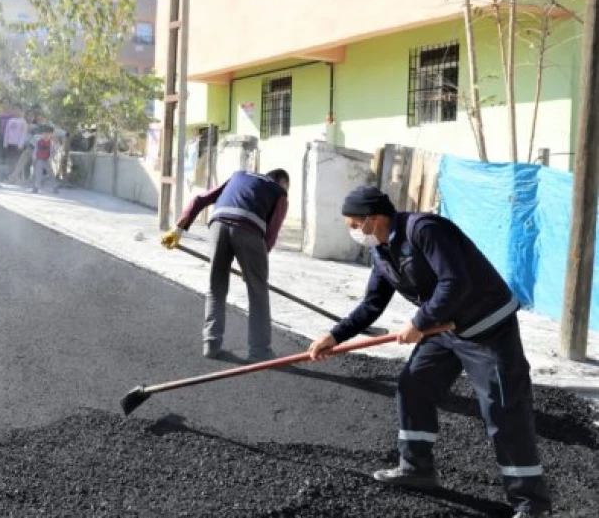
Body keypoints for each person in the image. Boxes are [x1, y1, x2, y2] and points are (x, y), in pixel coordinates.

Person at [306, 186, 551, 518]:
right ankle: (416, 468)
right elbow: (372, 304)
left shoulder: (425, 230)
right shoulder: (382, 251)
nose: (352, 231)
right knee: (413, 386)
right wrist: (334, 336)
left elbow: (456, 281)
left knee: (503, 409)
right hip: (443, 327)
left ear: (373, 219)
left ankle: (531, 505)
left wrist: (419, 321)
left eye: (353, 224)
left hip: (486, 327)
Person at [160, 169, 290, 362]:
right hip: (248, 230)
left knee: (216, 287)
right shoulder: (279, 193)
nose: (287, 190)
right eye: (287, 186)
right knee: (258, 292)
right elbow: (270, 235)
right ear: (280, 181)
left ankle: (211, 344)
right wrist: (255, 268)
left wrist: (178, 229)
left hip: (218, 224)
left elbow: (200, 199)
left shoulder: (239, 176)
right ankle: (260, 351)